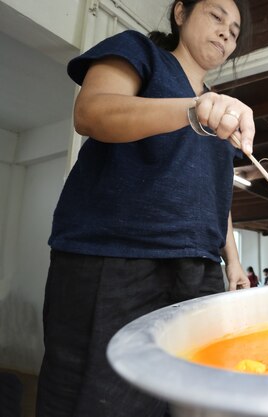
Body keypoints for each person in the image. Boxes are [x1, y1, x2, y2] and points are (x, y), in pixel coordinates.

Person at [36, 1, 253, 416]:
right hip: (114, 258)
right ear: (180, 12)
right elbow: (91, 111)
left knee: (191, 399)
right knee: (95, 397)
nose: (227, 32)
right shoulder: (140, 53)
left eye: (235, 28)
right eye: (216, 15)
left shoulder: (217, 110)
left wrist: (234, 262)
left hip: (197, 272)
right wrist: (190, 112)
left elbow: (216, 194)